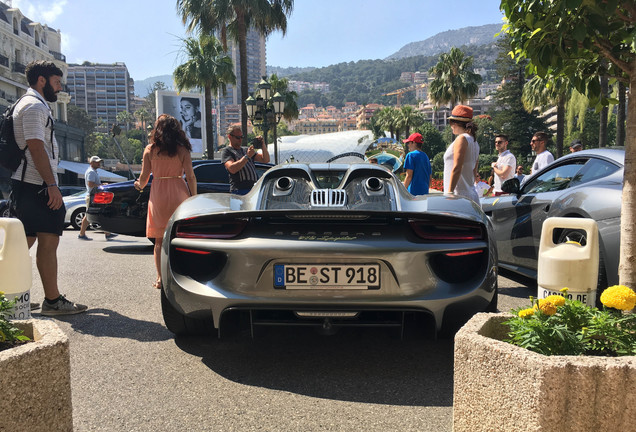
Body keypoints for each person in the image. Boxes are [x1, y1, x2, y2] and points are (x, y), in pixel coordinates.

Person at [9, 60, 87, 315]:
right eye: (56, 82)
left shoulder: (30, 103)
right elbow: (35, 146)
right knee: (48, 238)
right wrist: (51, 184)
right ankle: (53, 301)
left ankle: (10, 298)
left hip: (28, 184)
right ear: (42, 80)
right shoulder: (33, 106)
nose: (59, 87)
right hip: (35, 184)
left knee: (23, 241)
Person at [134, 114, 197, 289]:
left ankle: (161, 278)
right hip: (179, 192)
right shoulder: (182, 150)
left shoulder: (150, 149)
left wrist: (138, 186)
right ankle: (184, 276)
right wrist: (193, 196)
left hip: (159, 194)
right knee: (180, 237)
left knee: (159, 240)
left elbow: (144, 179)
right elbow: (191, 176)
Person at [443, 105, 480, 203]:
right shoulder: (474, 141)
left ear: (454, 123)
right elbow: (474, 171)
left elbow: (457, 167)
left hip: (458, 196)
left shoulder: (462, 138)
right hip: (470, 193)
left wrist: (450, 192)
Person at [221, 126, 270, 195]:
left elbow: (265, 159)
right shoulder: (227, 151)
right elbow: (232, 168)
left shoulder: (246, 150)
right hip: (239, 190)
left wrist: (263, 145)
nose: (240, 140)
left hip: (253, 190)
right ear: (230, 137)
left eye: (241, 137)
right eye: (238, 137)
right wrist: (247, 156)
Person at [77, 155, 117, 241]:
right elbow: (90, 184)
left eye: (99, 162)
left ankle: (107, 233)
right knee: (88, 215)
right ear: (91, 163)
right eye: (97, 162)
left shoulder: (93, 171)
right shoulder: (91, 172)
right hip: (92, 196)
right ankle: (82, 234)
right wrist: (101, 185)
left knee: (93, 214)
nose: (99, 163)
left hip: (93, 196)